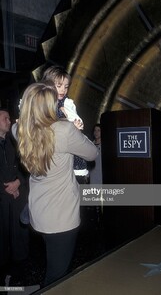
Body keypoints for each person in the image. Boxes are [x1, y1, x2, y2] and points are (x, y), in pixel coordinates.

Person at [15, 81, 98, 287]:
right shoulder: (63, 130)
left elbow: (16, 127)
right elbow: (92, 153)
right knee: (56, 277)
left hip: (39, 214)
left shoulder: (19, 130)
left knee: (54, 264)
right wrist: (74, 125)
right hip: (62, 217)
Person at [42, 65, 88, 184]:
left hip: (68, 153)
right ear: (48, 85)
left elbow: (76, 123)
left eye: (66, 87)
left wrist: (76, 126)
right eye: (59, 86)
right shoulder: (42, 104)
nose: (63, 90)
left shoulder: (68, 104)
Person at [0, 108, 29, 286]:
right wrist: (7, 188)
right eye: (5, 118)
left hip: (17, 197)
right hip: (2, 199)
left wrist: (18, 182)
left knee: (19, 237)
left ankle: (19, 275)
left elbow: (25, 165)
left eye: (9, 118)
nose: (9, 121)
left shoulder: (16, 142)